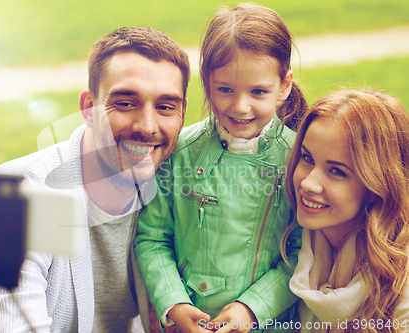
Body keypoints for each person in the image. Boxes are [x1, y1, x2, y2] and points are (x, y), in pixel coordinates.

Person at [0, 26, 190, 333]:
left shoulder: (176, 183)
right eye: (125, 103)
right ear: (88, 109)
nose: (148, 126)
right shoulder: (9, 197)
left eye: (165, 107)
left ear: (182, 114)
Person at [134, 3, 307, 333]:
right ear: (207, 82)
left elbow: (303, 254)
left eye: (258, 91)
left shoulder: (298, 159)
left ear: (283, 86)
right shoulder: (180, 151)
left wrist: (252, 307)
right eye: (225, 89)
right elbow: (153, 238)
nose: (240, 106)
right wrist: (174, 302)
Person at [282, 88, 409, 333]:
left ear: (377, 186)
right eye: (307, 158)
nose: (308, 183)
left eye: (337, 171)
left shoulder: (400, 279)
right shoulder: (288, 240)